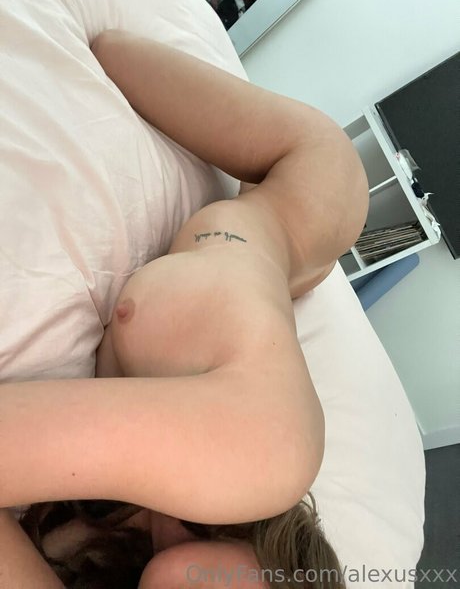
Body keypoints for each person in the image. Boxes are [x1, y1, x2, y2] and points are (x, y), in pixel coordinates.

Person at [0, 29, 368, 588]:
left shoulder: (128, 540)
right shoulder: (267, 457)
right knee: (113, 50)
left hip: (281, 263)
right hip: (312, 187)